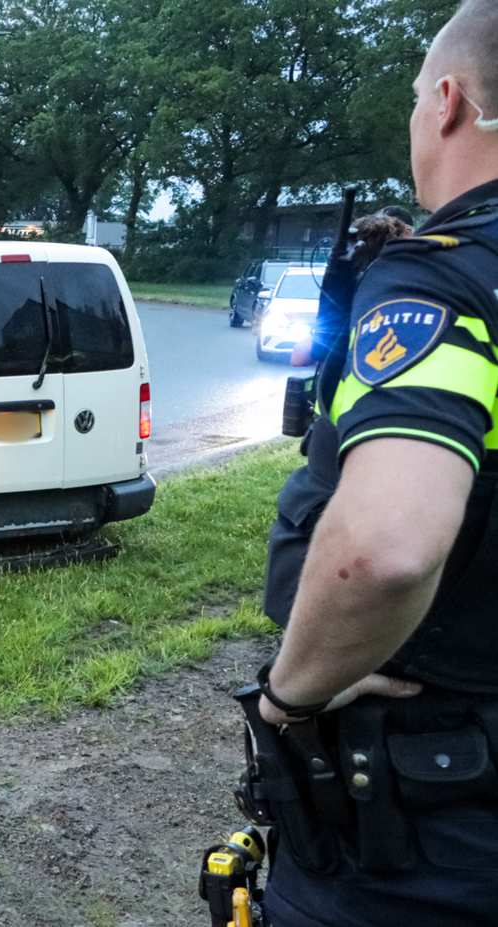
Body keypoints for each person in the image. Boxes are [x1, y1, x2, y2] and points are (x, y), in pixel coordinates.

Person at [257, 1, 498, 924]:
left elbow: (384, 548)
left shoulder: (446, 277)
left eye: (410, 98)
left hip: (436, 827)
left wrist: (291, 694)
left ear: (446, 103)